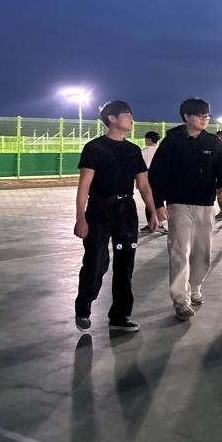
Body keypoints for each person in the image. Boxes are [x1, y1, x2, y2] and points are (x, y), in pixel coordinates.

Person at [73, 100, 158, 333]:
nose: (132, 119)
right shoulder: (95, 148)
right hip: (99, 210)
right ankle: (83, 308)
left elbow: (143, 185)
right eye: (127, 115)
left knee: (125, 264)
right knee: (96, 261)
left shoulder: (133, 150)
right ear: (112, 118)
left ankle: (120, 316)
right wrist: (80, 218)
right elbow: (84, 185)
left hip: (126, 211)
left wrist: (152, 212)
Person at [149, 98, 222, 322]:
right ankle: (180, 301)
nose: (205, 119)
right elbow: (157, 174)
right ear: (187, 117)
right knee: (179, 251)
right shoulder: (172, 141)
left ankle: (195, 287)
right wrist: (158, 203)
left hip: (205, 204)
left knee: (202, 251)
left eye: (207, 116)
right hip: (178, 203)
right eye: (200, 115)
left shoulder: (213, 142)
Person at [140, 130, 162, 233]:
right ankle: (160, 224)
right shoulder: (161, 151)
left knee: (148, 201)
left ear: (149, 139)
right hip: (160, 179)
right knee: (158, 201)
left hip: (147, 178)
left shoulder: (144, 151)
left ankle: (150, 224)